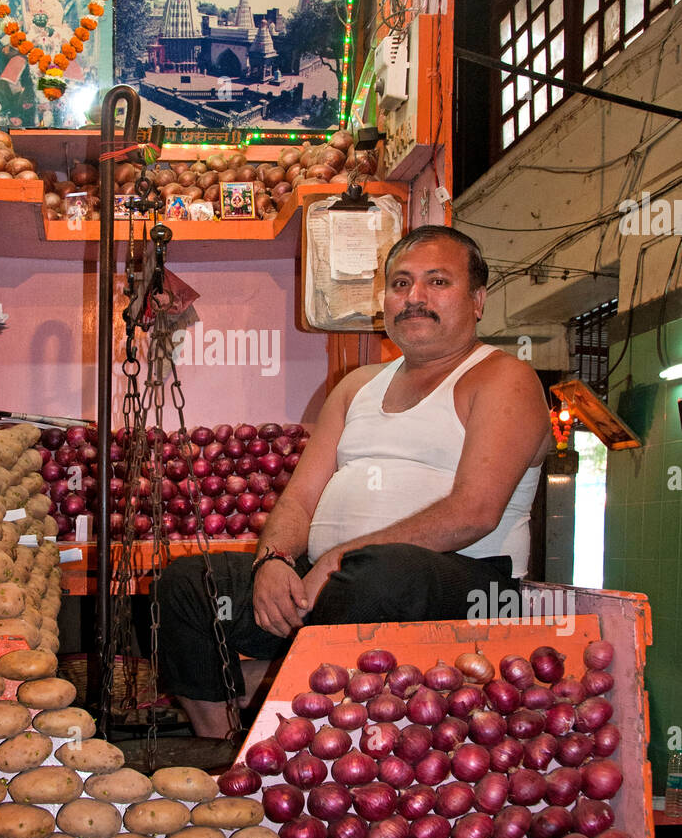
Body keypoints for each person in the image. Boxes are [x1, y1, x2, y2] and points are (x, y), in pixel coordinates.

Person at [157, 225, 552, 738]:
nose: (414, 298)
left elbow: (473, 513)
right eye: (401, 284)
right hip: (337, 585)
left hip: (456, 583)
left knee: (378, 574)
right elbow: (300, 496)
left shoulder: (503, 378)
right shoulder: (358, 385)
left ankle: (283, 710)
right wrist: (274, 558)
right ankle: (224, 743)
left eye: (437, 282)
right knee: (189, 584)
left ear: (477, 301)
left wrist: (341, 558)